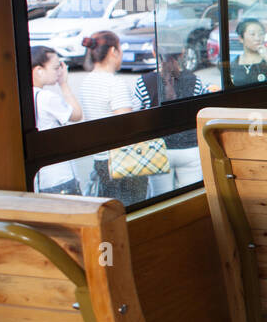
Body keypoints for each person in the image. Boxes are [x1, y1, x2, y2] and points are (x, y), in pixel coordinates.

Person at [78, 30, 147, 204]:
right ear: (113, 51)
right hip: (122, 160)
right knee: (133, 211)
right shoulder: (114, 83)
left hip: (101, 158)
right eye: (120, 49)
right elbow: (125, 125)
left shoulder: (87, 82)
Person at [134, 49, 209, 192]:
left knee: (160, 201)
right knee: (189, 198)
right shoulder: (194, 79)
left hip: (157, 150)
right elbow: (201, 110)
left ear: (154, 53)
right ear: (182, 53)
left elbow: (137, 114)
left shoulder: (144, 82)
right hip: (190, 148)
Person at [31, 45, 84, 194]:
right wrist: (64, 84)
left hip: (41, 179)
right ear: (39, 70)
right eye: (55, 68)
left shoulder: (24, 96)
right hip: (60, 177)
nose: (60, 71)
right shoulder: (46, 97)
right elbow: (76, 114)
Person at [231, 18, 267, 86]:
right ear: (241, 38)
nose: (258, 38)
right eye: (252, 34)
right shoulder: (234, 63)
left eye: (261, 34)